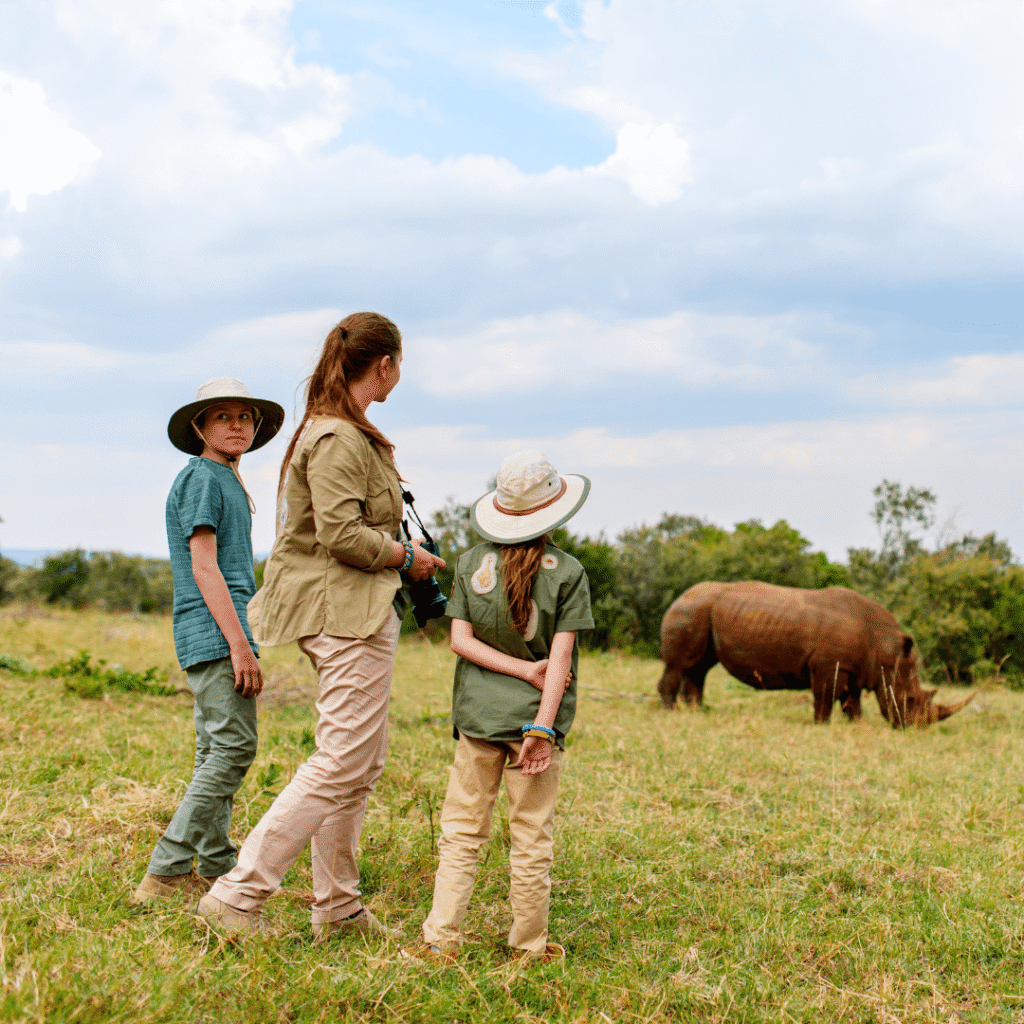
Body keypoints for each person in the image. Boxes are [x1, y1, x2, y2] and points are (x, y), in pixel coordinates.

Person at [197, 311, 445, 938]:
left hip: (352, 609)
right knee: (341, 762)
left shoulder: (342, 429)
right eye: (398, 365)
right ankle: (237, 895)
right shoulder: (336, 436)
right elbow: (340, 535)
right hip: (343, 613)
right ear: (383, 366)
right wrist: (407, 557)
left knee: (359, 763)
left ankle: (339, 908)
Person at [418, 449, 594, 962]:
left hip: (478, 719)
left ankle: (440, 940)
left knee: (461, 833)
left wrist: (513, 670)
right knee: (531, 836)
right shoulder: (570, 572)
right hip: (534, 727)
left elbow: (459, 642)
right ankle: (528, 947)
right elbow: (559, 662)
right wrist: (542, 727)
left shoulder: (472, 563)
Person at [132, 377, 285, 905]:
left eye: (245, 417)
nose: (236, 425)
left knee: (211, 750)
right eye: (223, 416)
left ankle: (218, 863)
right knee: (235, 748)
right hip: (218, 633)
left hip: (219, 630)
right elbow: (204, 567)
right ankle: (166, 868)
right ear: (201, 426)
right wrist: (241, 644)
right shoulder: (202, 478)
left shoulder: (222, 478)